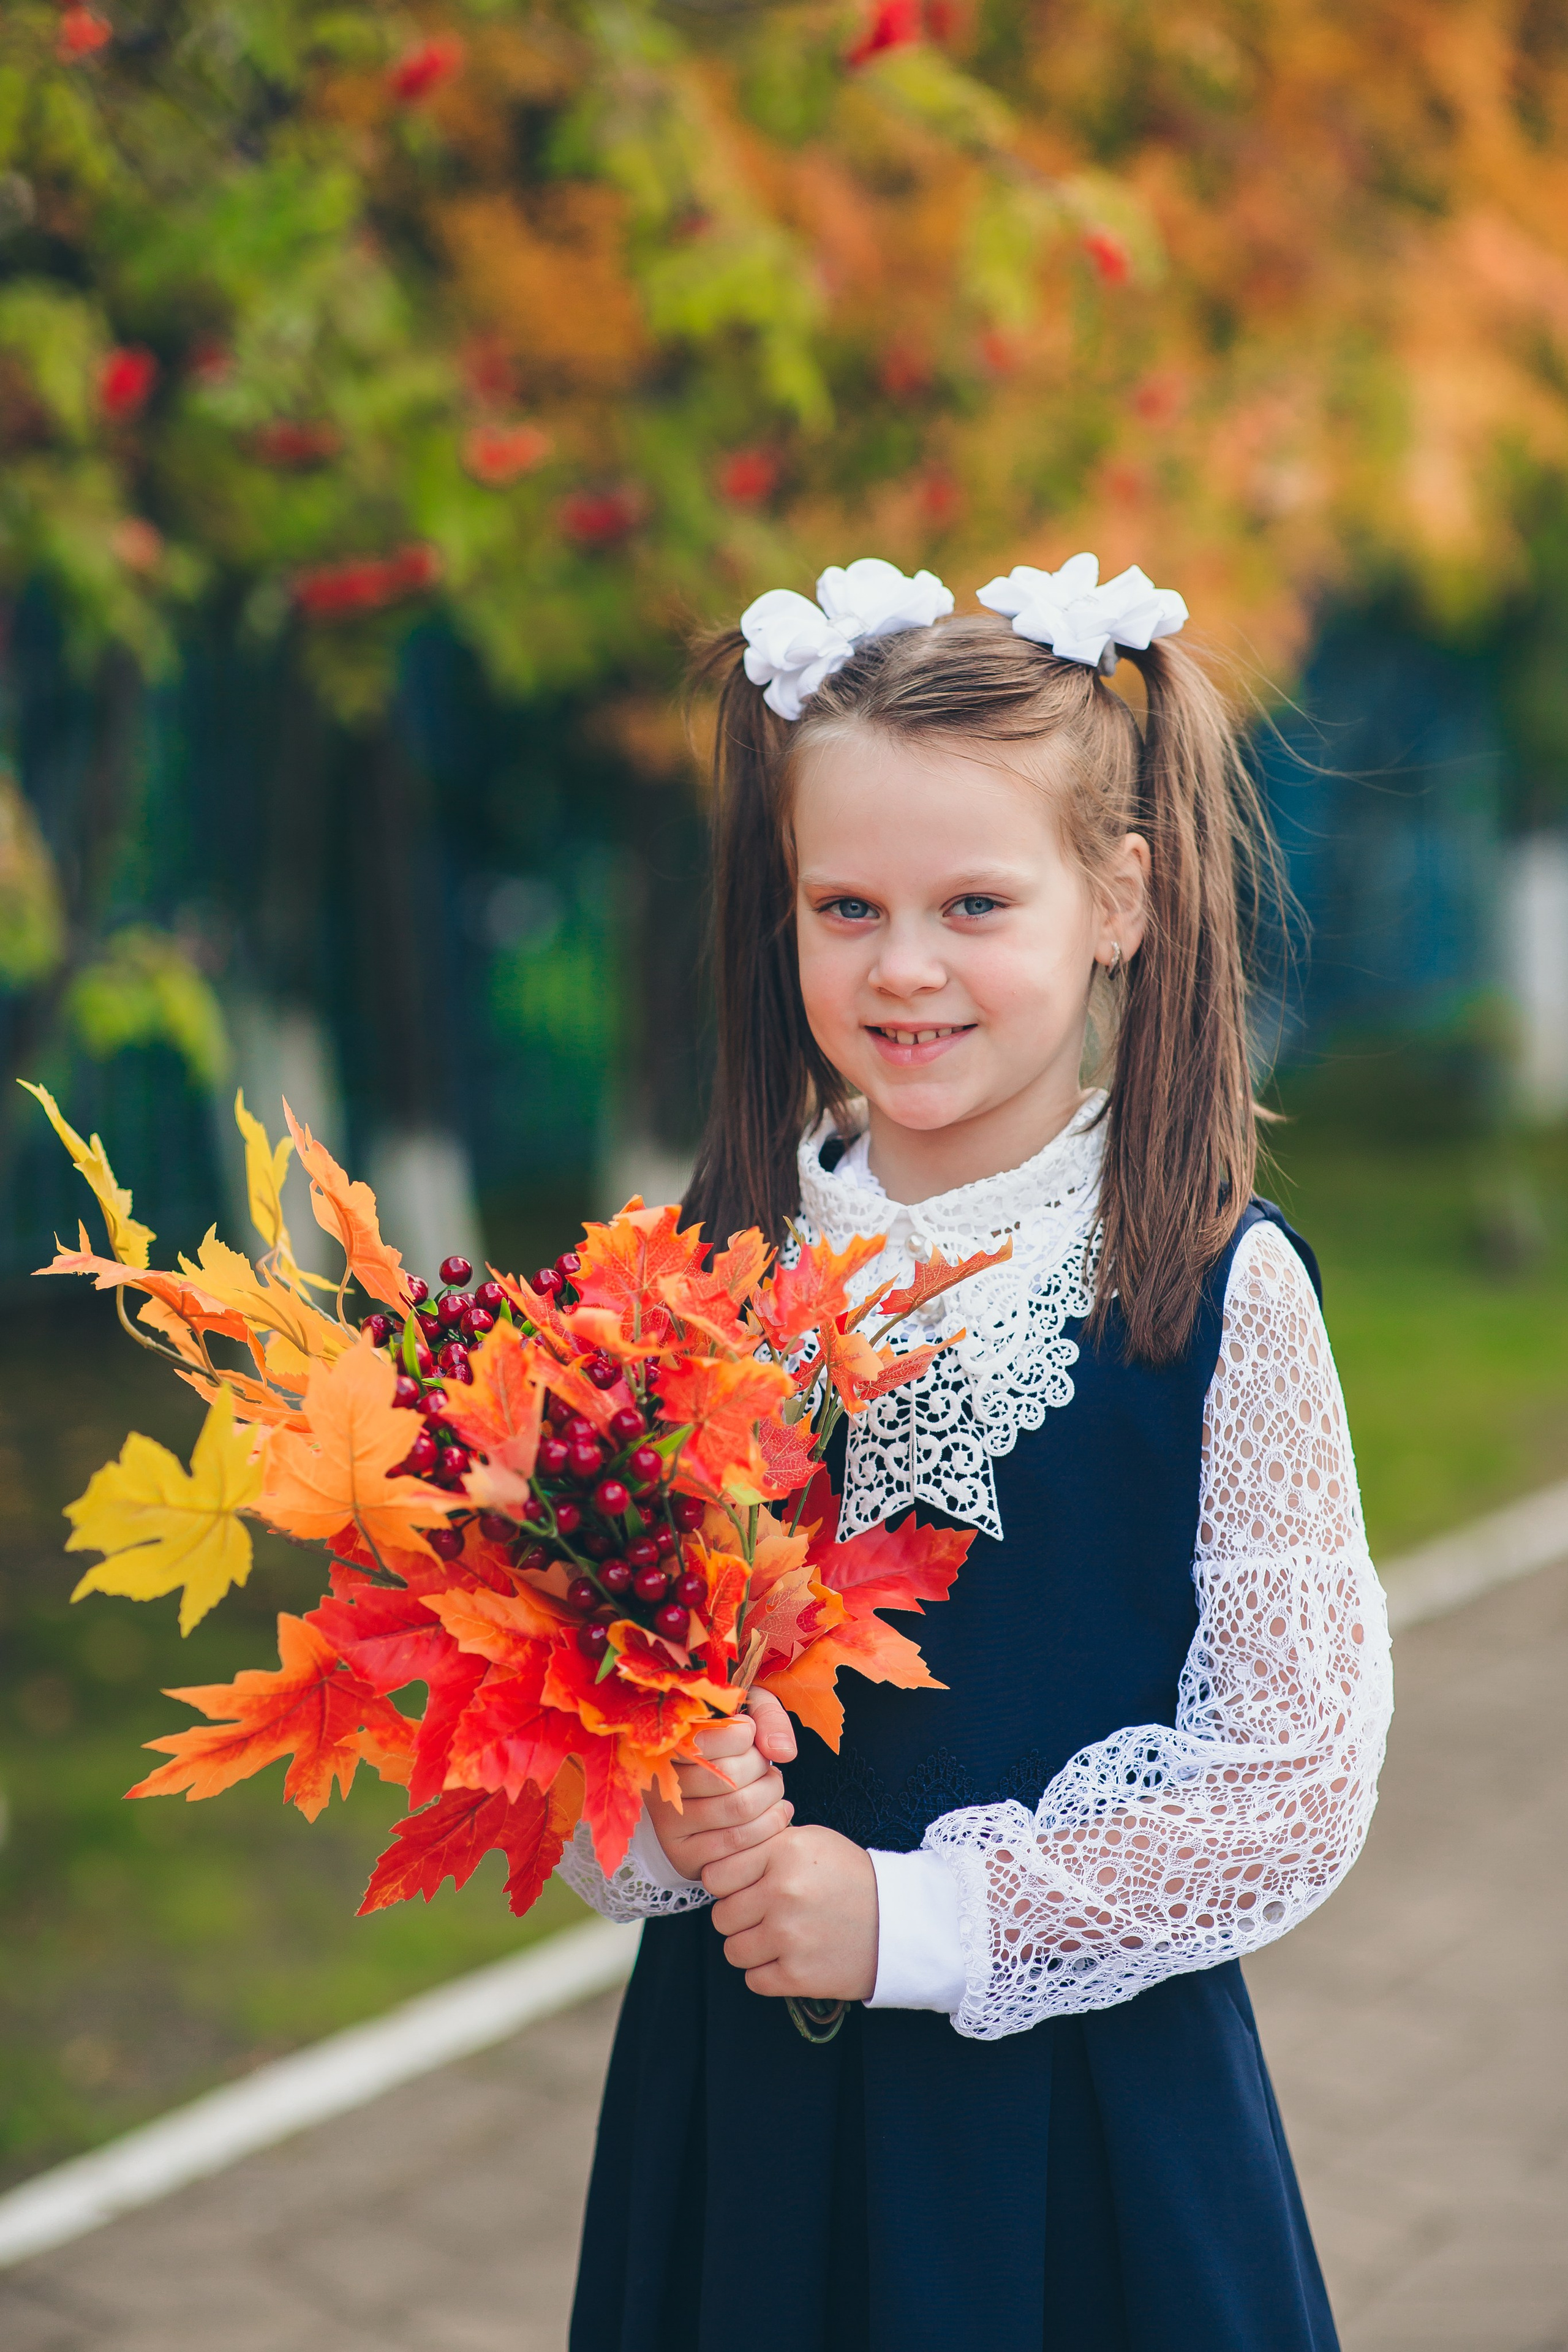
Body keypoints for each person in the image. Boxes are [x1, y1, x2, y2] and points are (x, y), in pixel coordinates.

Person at [559, 555, 1393, 2352]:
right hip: (743, 2135)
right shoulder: (692, 1282)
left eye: (972, 903)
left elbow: (1294, 1779)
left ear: (1119, 900)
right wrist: (668, 1813)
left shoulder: (1207, 1287)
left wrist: (917, 1919)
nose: (905, 965)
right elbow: (579, 1732)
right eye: (844, 905)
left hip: (1079, 2139)